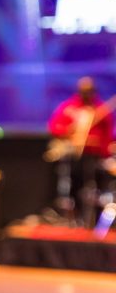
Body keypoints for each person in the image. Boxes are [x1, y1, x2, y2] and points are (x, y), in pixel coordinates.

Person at [48, 76, 114, 223]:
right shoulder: (69, 108)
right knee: (75, 184)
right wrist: (70, 134)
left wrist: (101, 148)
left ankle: (96, 220)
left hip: (95, 157)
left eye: (90, 91)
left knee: (96, 187)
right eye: (84, 90)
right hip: (75, 156)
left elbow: (108, 136)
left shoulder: (101, 110)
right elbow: (55, 127)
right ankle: (75, 216)